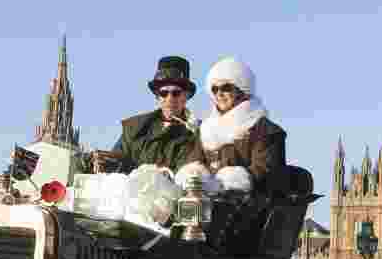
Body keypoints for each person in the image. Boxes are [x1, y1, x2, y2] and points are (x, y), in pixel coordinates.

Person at [177, 56, 288, 195]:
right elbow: (194, 163)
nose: (219, 94)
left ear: (242, 90)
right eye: (215, 89)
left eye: (226, 88)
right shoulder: (206, 129)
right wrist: (193, 178)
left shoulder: (265, 130)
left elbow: (265, 172)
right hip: (208, 204)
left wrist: (228, 182)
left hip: (250, 207)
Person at [91, 56, 201, 175]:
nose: (170, 99)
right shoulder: (134, 128)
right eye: (164, 93)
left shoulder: (199, 134)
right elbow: (115, 161)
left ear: (186, 96)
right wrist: (104, 162)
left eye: (176, 93)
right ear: (157, 97)